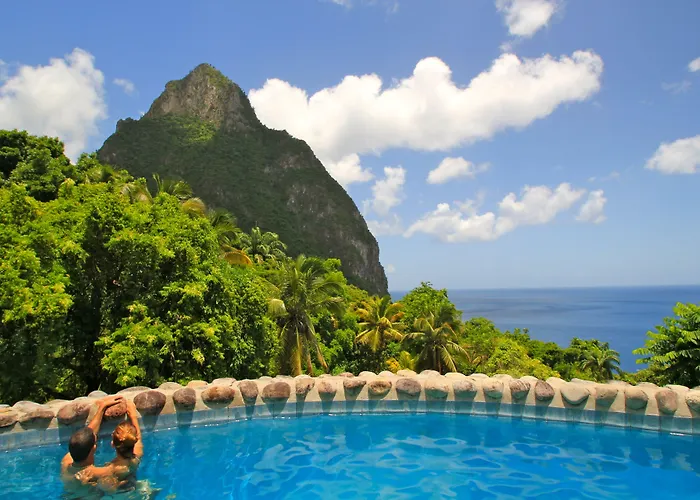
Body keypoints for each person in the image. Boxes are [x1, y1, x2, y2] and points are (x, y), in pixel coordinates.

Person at [76, 398, 153, 497]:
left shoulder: (108, 470)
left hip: (117, 495)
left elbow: (80, 472)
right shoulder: (137, 456)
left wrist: (85, 483)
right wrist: (133, 415)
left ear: (112, 444)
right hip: (132, 487)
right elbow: (138, 437)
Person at [60, 395, 125, 498]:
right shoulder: (95, 472)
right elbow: (127, 467)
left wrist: (102, 407)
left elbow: (89, 433)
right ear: (94, 448)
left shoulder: (66, 460)